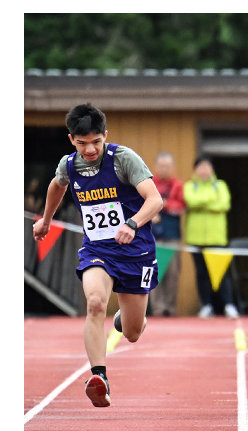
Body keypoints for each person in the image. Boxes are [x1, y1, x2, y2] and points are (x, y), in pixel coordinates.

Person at [32, 103, 163, 407]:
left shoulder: (123, 160)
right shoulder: (68, 165)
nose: (90, 149)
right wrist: (46, 220)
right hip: (98, 250)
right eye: (82, 143)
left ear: (105, 135)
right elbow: (56, 186)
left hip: (135, 251)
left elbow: (155, 200)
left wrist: (132, 223)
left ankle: (126, 321)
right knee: (94, 303)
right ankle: (99, 376)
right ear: (71, 140)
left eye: (96, 142)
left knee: (132, 332)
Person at [183, 156, 239, 319]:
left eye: (207, 167)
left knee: (221, 274)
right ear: (195, 170)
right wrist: (210, 200)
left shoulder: (220, 185)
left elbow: (224, 204)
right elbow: (190, 201)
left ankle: (229, 305)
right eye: (200, 167)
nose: (204, 170)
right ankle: (206, 305)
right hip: (196, 239)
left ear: (212, 169)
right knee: (202, 274)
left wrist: (202, 203)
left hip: (217, 239)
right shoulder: (190, 186)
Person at [149, 151, 185, 317]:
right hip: (152, 237)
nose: (164, 169)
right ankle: (157, 308)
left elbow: (181, 205)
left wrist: (163, 205)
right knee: (154, 272)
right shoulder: (150, 184)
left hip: (172, 236)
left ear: (172, 168)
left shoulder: (178, 185)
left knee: (172, 273)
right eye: (161, 166)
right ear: (156, 167)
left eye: (167, 166)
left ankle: (169, 308)